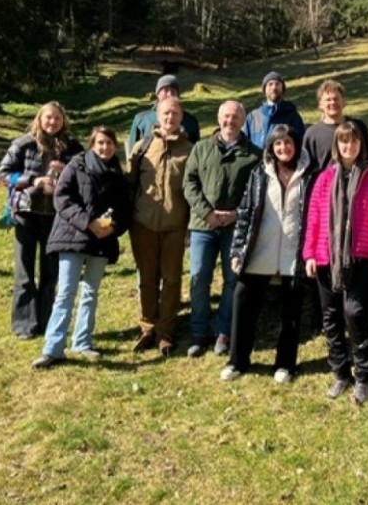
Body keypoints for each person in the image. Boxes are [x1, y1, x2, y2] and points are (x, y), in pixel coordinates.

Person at [32, 127, 132, 368]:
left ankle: (82, 342)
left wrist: (113, 226)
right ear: (92, 144)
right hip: (73, 237)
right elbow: (62, 198)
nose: (105, 147)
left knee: (90, 292)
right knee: (66, 292)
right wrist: (88, 223)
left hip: (102, 240)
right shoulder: (76, 165)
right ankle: (53, 348)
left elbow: (125, 208)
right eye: (100, 143)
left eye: (109, 143)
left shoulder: (117, 173)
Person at [304, 121, 368, 404]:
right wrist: (310, 254)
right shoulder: (325, 178)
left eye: (353, 141)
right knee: (330, 317)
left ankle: (364, 375)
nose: (348, 146)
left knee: (354, 312)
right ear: (336, 146)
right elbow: (314, 218)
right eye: (343, 142)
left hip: (360, 258)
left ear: (361, 145)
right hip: (327, 259)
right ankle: (341, 373)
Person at [220, 125, 313, 383]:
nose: (283, 148)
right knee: (243, 303)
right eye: (278, 144)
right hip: (259, 251)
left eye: (288, 143)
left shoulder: (309, 174)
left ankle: (285, 364)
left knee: (291, 312)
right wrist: (238, 249)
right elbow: (246, 212)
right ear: (271, 147)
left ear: (296, 144)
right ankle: (237, 361)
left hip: (292, 255)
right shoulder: (259, 173)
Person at [0, 101, 83, 339]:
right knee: (25, 272)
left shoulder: (72, 147)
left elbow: (85, 175)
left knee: (50, 272)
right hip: (26, 213)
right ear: (39, 119)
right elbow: (3, 174)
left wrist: (66, 169)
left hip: (57, 217)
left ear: (63, 121)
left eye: (57, 118)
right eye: (48, 118)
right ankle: (24, 325)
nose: (52, 122)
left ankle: (47, 323)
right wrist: (32, 180)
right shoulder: (23, 144)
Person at [184, 100, 261, 357]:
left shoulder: (253, 154)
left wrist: (237, 214)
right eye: (226, 116)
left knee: (232, 279)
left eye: (236, 117)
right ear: (219, 119)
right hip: (202, 226)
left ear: (243, 121)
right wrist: (206, 213)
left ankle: (224, 332)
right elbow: (189, 183)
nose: (231, 121)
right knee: (199, 277)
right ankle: (199, 331)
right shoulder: (201, 148)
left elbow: (257, 192)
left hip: (235, 227)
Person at [128, 96, 194, 356]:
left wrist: (190, 226)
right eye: (165, 113)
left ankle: (166, 331)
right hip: (143, 224)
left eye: (175, 114)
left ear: (181, 117)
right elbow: (129, 184)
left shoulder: (190, 150)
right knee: (147, 278)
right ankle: (147, 327)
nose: (170, 118)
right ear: (157, 115)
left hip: (175, 226)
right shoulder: (142, 147)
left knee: (171, 280)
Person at [302, 79, 368, 172]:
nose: (332, 102)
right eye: (328, 100)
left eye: (336, 98)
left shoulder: (358, 127)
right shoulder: (312, 134)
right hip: (325, 184)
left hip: (357, 182)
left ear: (343, 101)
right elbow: (306, 169)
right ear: (320, 105)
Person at [125, 74, 200, 158]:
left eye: (173, 91)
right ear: (157, 94)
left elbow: (196, 154)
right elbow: (132, 154)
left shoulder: (190, 121)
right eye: (165, 90)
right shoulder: (142, 120)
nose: (169, 94)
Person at [242, 71, 305, 149]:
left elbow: (300, 145)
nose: (274, 87)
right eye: (270, 84)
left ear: (283, 88)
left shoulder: (293, 117)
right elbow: (242, 144)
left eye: (277, 84)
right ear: (264, 90)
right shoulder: (253, 117)